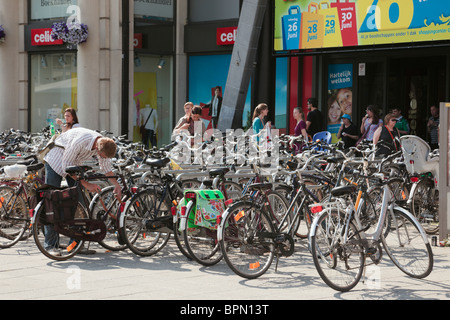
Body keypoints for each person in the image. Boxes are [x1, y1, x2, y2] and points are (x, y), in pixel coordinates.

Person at [43, 127, 121, 256]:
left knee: (80, 205)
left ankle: (75, 245)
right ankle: (51, 246)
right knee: (52, 203)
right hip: (55, 160)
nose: (101, 158)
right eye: (102, 156)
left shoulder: (104, 144)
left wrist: (116, 185)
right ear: (97, 148)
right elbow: (65, 165)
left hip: (73, 165)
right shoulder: (81, 141)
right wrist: (86, 184)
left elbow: (106, 167)